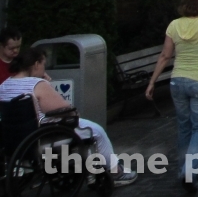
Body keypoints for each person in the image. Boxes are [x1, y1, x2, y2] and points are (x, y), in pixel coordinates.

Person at [0, 46, 138, 187]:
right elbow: (63, 108)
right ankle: (116, 172)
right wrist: (48, 85)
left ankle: (94, 170)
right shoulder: (37, 84)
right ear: (36, 64)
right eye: (43, 65)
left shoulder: (5, 85)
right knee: (96, 131)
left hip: (16, 137)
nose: (44, 69)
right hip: (45, 134)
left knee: (86, 129)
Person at [146, 0, 198, 193]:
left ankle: (183, 168)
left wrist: (152, 82)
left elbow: (165, 55)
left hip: (177, 81)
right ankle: (191, 171)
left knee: (184, 126)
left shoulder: (174, 25)